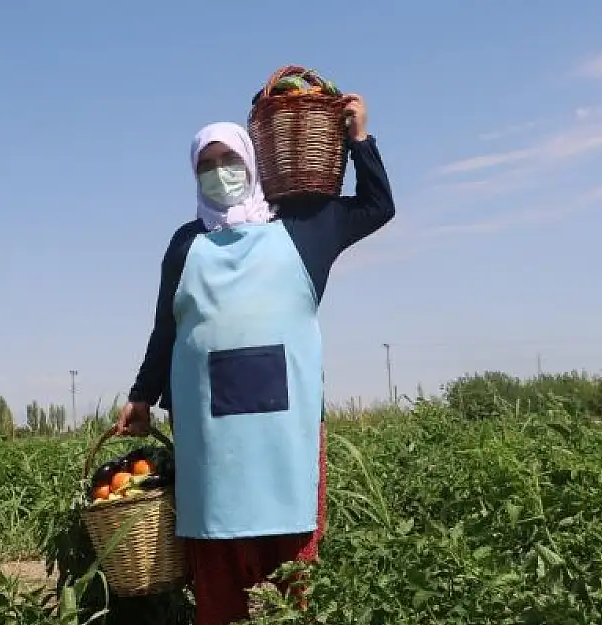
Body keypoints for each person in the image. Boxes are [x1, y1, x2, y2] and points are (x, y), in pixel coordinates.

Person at [115, 95, 395, 625]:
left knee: (291, 548)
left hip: (285, 421)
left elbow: (377, 207)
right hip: (208, 423)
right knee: (216, 552)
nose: (219, 173)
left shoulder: (306, 227)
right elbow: (167, 327)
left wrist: (359, 141)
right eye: (206, 165)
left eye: (229, 161)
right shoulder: (185, 243)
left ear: (252, 162)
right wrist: (141, 397)